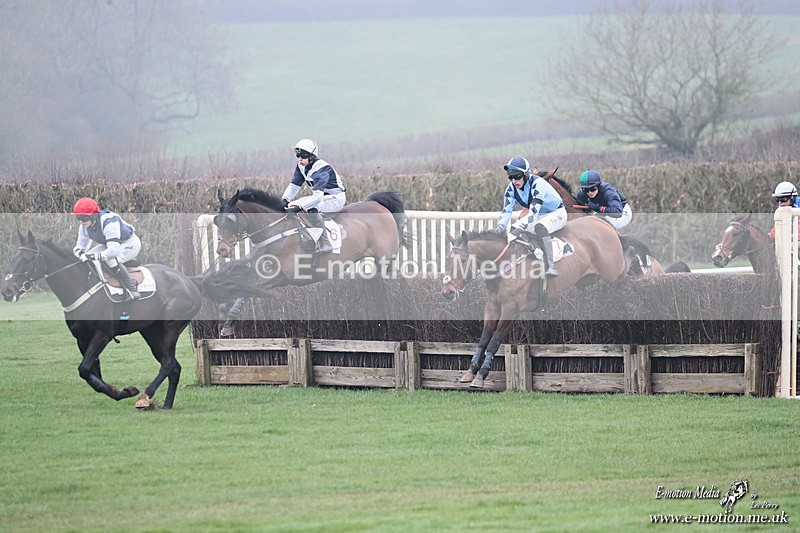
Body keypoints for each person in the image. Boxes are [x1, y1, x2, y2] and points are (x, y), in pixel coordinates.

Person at [496, 155, 567, 276]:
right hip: (539, 215)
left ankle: (551, 266)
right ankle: (534, 255)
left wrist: (517, 229)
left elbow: (533, 213)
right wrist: (500, 228)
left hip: (556, 213)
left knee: (539, 227)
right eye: (511, 177)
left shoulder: (538, 184)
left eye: (517, 176)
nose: (514, 181)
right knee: (516, 230)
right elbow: (506, 212)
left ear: (526, 174)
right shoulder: (510, 189)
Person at [281, 138, 346, 254]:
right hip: (321, 198)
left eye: (303, 156)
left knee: (310, 208)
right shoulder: (301, 165)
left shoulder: (322, 169)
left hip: (335, 199)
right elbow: (294, 186)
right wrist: (285, 200)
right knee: (290, 206)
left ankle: (326, 243)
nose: (300, 159)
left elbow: (317, 197)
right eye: (298, 155)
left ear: (312, 156)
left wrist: (300, 207)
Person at [72, 197, 142, 300]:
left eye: (84, 218)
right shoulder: (84, 227)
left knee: (110, 260)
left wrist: (93, 256)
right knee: (86, 260)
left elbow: (113, 251)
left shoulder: (109, 222)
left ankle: (132, 290)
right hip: (109, 245)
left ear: (94, 215)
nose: (81, 221)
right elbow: (80, 247)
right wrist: (79, 253)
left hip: (129, 243)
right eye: (78, 218)